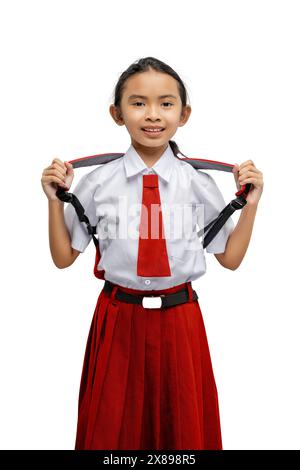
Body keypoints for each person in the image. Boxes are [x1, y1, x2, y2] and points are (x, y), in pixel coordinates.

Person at [41, 57, 264, 450]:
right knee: (113, 431)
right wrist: (53, 202)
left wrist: (253, 203)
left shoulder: (197, 183)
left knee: (182, 430)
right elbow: (63, 258)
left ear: (184, 114)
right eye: (138, 103)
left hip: (180, 319)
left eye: (166, 103)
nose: (152, 115)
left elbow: (229, 258)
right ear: (117, 113)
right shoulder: (97, 182)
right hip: (117, 319)